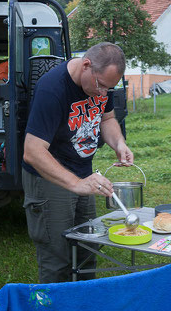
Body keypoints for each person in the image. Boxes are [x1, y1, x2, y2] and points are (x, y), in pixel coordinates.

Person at [22, 42, 133, 283]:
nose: (104, 94)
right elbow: (32, 151)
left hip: (83, 175)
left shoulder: (102, 86)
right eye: (101, 86)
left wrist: (119, 143)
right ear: (86, 65)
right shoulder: (53, 89)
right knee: (57, 256)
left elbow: (107, 118)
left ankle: (84, 301)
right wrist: (76, 184)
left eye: (110, 89)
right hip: (49, 177)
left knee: (88, 247)